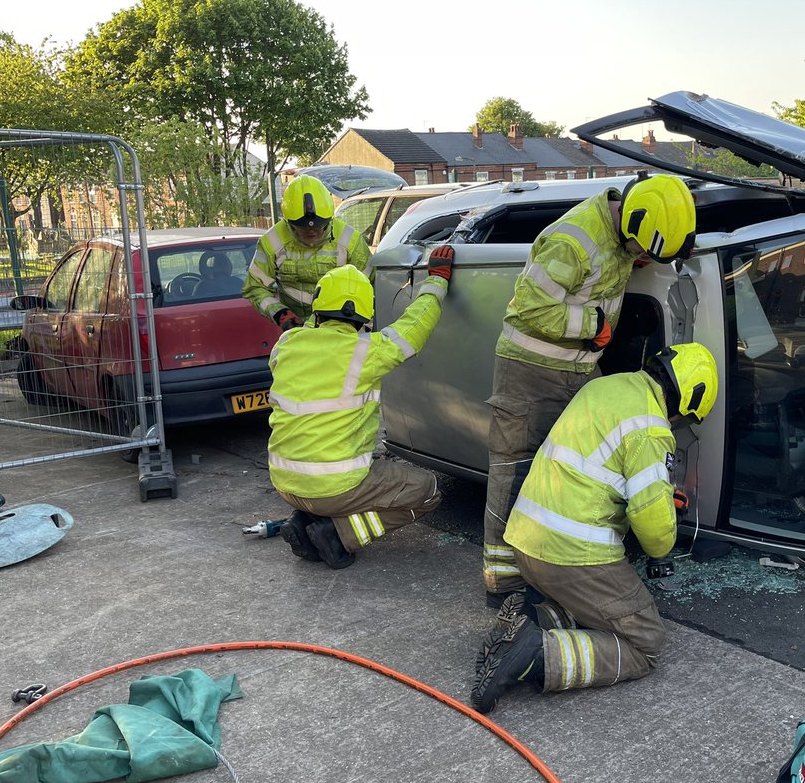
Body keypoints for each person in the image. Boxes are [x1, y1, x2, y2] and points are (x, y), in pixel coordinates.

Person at [482, 174, 696, 606]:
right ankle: (503, 584)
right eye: (641, 252)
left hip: (577, 368)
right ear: (631, 223)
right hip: (530, 370)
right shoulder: (573, 241)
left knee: (570, 467)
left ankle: (553, 566)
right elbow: (527, 309)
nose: (641, 260)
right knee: (515, 468)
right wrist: (595, 326)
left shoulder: (625, 234)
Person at [470, 343, 719, 714]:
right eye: (685, 419)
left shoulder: (604, 386)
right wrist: (665, 517)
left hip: (526, 541)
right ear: (685, 403)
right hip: (571, 555)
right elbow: (654, 533)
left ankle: (530, 617)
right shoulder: (651, 429)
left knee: (597, 608)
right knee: (645, 640)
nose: (678, 426)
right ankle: (536, 655)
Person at [266, 247, 455, 568]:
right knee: (428, 490)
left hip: (284, 482)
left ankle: (306, 521)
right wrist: (437, 281)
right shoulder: (366, 352)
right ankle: (339, 535)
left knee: (333, 471)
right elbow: (415, 325)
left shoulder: (286, 344)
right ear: (365, 312)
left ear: (319, 304)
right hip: (332, 487)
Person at [243, 175, 372, 332]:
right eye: (303, 228)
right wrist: (282, 315)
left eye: (318, 227)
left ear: (329, 220)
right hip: (297, 331)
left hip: (343, 330)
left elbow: (371, 287)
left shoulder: (350, 240)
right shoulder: (272, 241)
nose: (312, 232)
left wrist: (357, 325)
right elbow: (256, 287)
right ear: (289, 223)